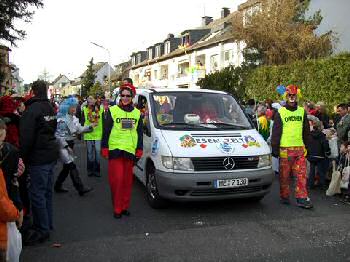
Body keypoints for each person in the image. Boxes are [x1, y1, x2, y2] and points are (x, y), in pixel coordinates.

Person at [19, 80, 59, 245]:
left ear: (33, 91)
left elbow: (26, 137)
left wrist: (22, 157)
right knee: (47, 193)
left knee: (37, 194)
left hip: (39, 158)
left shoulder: (32, 110)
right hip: (50, 155)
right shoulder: (49, 107)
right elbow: (53, 128)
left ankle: (42, 230)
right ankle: (47, 224)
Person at [101, 83, 143, 219]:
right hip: (115, 150)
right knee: (117, 180)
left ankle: (124, 207)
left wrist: (139, 149)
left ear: (132, 97)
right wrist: (104, 148)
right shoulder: (112, 110)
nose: (125, 98)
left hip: (130, 150)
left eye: (128, 96)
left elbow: (139, 133)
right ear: (120, 96)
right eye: (123, 95)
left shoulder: (137, 113)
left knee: (127, 181)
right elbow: (106, 131)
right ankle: (117, 208)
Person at [271, 85, 313, 209]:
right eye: (289, 95)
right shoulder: (281, 112)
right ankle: (284, 195)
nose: (292, 98)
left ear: (297, 96)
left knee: (301, 175)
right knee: (284, 175)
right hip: (285, 149)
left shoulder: (302, 111)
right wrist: (275, 148)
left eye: (294, 95)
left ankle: (302, 198)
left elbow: (306, 131)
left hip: (299, 149)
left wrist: (308, 147)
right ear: (286, 96)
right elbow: (276, 132)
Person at [54, 97, 93, 196]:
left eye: (75, 106)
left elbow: (78, 129)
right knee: (71, 165)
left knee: (67, 167)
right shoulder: (62, 119)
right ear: (67, 107)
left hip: (70, 143)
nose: (74, 108)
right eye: (72, 107)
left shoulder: (73, 118)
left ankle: (57, 185)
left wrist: (90, 127)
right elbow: (58, 136)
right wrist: (66, 147)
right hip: (63, 145)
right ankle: (80, 187)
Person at [307, 115, 331, 190]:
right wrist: (328, 152)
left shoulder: (309, 135)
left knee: (312, 170)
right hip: (320, 155)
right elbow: (325, 145)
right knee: (320, 170)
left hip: (310, 155)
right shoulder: (322, 135)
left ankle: (310, 184)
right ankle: (322, 185)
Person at [82, 96, 103, 177]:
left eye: (92, 98)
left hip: (98, 134)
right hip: (88, 133)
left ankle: (97, 170)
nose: (90, 100)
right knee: (90, 153)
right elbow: (82, 121)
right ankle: (90, 170)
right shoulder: (85, 109)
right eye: (89, 99)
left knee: (97, 153)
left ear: (95, 100)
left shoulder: (100, 109)